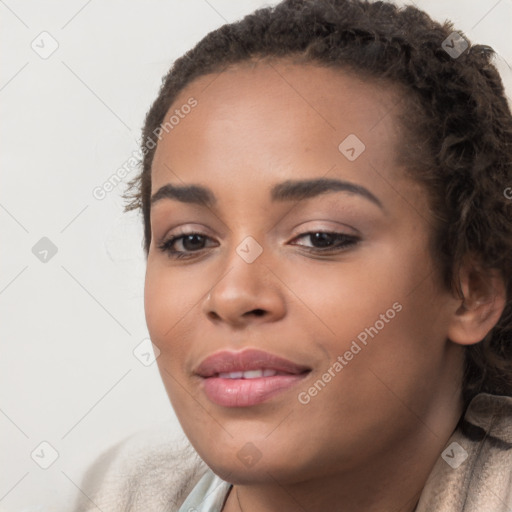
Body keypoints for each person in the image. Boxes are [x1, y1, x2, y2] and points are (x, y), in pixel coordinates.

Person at [73, 0, 512, 510]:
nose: (233, 294)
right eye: (190, 240)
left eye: (320, 237)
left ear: (472, 290)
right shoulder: (119, 493)